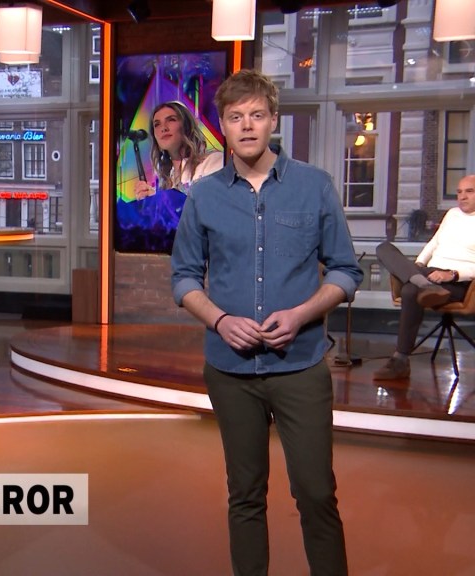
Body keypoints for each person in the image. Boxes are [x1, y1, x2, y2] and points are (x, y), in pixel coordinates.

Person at [171, 69, 361, 576]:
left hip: (300, 367)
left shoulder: (314, 186)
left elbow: (346, 270)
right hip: (230, 371)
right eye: (236, 117)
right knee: (245, 494)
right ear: (223, 126)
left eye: (257, 115)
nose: (247, 126)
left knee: (316, 492)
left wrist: (301, 314)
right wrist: (219, 321)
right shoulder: (204, 196)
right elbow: (183, 278)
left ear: (273, 120)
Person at [373, 174, 475, 380]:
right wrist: (417, 267)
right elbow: (434, 243)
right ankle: (421, 282)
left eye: (469, 191)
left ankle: (400, 360)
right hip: (429, 274)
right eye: (459, 192)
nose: (462, 197)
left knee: (410, 290)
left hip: (457, 282)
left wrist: (452, 275)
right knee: (383, 248)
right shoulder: (452, 214)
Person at [133, 100, 224, 200]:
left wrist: (163, 200)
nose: (163, 128)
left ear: (186, 126)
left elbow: (213, 204)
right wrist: (151, 202)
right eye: (157, 124)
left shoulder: (214, 161)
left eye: (171, 120)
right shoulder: (164, 183)